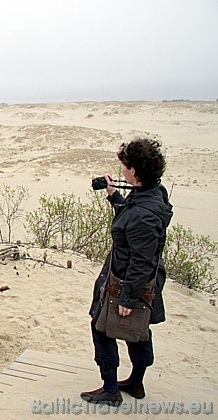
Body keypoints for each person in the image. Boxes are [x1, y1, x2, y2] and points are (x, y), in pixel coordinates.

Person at [81, 138, 173, 406]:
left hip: (126, 280)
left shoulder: (144, 214)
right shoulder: (153, 193)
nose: (121, 170)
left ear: (134, 170)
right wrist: (114, 195)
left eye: (123, 166)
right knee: (138, 330)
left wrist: (127, 298)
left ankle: (111, 390)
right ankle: (136, 382)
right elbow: (130, 219)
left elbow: (142, 260)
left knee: (102, 328)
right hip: (138, 278)